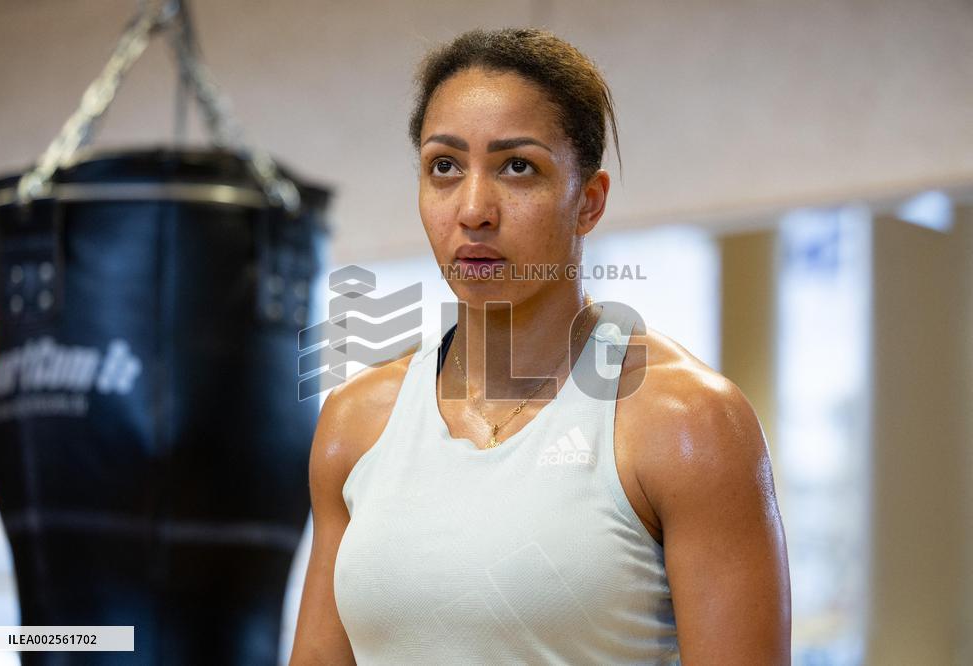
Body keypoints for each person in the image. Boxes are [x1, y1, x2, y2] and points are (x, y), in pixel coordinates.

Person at [289, 27, 790, 665]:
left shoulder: (687, 424)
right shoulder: (357, 422)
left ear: (589, 202)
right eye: (444, 166)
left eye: (517, 167)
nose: (473, 209)